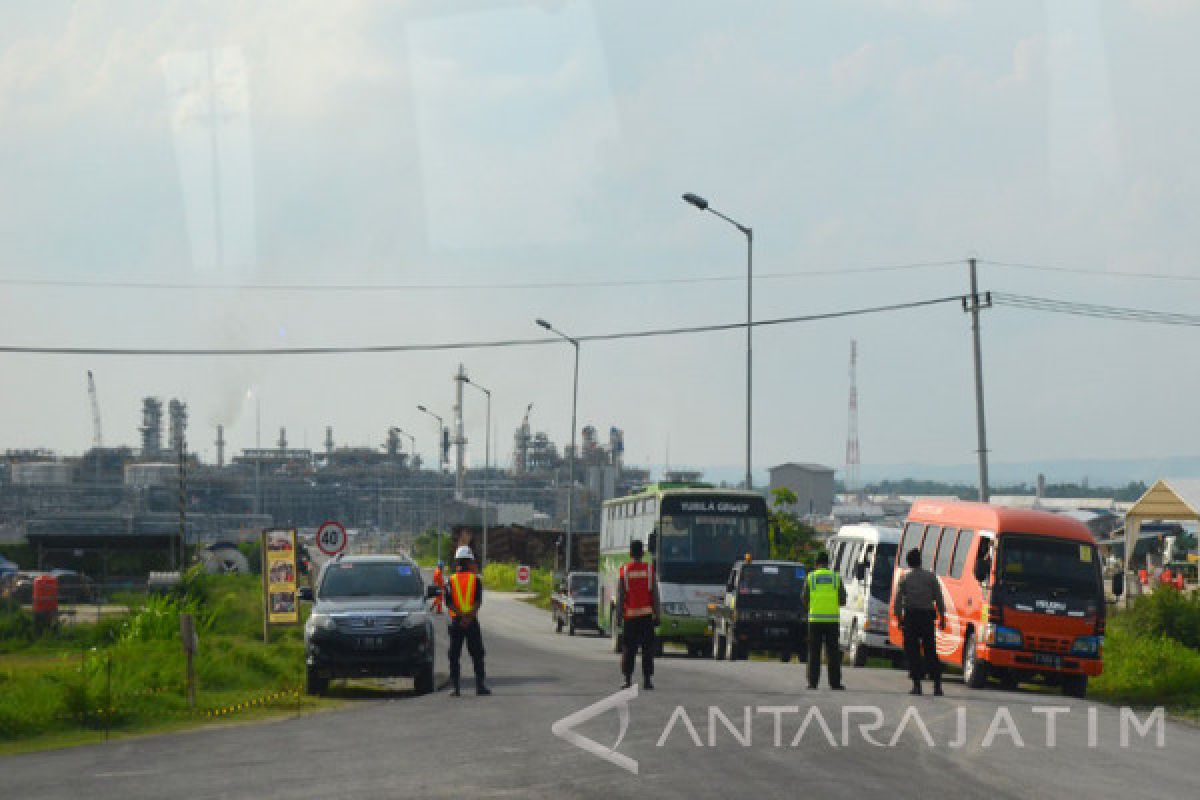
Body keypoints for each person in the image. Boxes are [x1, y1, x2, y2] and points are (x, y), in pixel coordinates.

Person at [893, 547, 947, 696]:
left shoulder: (905, 578)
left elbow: (898, 601)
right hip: (927, 618)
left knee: (913, 652)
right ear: (920, 561)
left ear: (908, 562)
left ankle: (917, 686)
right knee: (930, 651)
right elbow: (939, 599)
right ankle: (937, 686)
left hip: (911, 617)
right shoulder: (931, 577)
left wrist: (899, 618)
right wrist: (942, 617)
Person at [444, 546, 490, 696]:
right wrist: (469, 617)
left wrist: (461, 616)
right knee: (477, 654)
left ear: (458, 561)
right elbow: (478, 602)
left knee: (454, 655)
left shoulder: (450, 580)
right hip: (471, 622)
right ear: (469, 562)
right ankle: (480, 686)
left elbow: (448, 603)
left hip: (457, 622)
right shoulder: (475, 580)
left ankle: (455, 688)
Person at [617, 539, 660, 690]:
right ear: (642, 553)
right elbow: (655, 594)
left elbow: (621, 596)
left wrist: (618, 618)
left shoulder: (625, 570)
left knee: (629, 649)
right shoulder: (649, 570)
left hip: (630, 618)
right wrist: (658, 615)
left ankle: (627, 680)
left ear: (630, 553)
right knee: (647, 650)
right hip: (647, 618)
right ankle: (647, 681)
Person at [800, 551, 847, 690]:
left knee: (814, 652)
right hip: (832, 621)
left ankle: (813, 683)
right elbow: (843, 600)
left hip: (815, 620)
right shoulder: (835, 577)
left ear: (816, 564)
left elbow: (804, 598)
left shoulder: (811, 577)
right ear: (828, 563)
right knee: (833, 653)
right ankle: (835, 683)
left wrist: (812, 606)